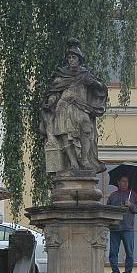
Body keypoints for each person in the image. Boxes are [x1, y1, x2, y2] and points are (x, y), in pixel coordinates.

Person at [40, 39, 107, 173]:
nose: (71, 60)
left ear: (79, 59)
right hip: (63, 107)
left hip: (81, 106)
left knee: (86, 128)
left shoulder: (85, 75)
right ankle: (73, 163)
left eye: (74, 57)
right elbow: (54, 93)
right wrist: (51, 102)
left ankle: (85, 159)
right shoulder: (61, 76)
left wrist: (94, 84)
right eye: (69, 57)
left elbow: (100, 88)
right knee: (65, 134)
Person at [106, 175, 137, 273]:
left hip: (128, 228)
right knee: (113, 252)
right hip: (115, 228)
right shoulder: (113, 196)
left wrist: (131, 205)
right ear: (118, 182)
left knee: (129, 252)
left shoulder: (133, 195)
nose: (125, 183)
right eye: (123, 181)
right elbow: (107, 210)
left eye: (126, 181)